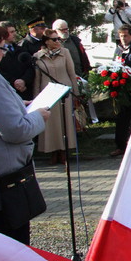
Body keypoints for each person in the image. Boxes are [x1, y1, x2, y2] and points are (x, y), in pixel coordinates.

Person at [0, 16, 50, 244]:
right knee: (11, 257)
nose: (4, 53)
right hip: (0, 188)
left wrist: (18, 105)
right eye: (1, 48)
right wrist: (39, 116)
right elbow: (15, 130)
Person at [32, 29, 79, 165]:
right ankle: (53, 152)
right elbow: (37, 79)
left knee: (64, 122)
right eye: (54, 39)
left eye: (58, 39)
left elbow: (71, 73)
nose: (58, 41)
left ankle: (64, 152)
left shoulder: (65, 53)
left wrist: (75, 93)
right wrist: (36, 99)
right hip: (47, 92)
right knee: (51, 123)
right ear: (46, 41)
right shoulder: (38, 56)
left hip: (64, 91)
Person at [110, 24, 131, 157]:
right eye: (121, 36)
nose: (123, 38)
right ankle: (120, 145)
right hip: (120, 91)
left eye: (125, 36)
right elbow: (113, 66)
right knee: (121, 119)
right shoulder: (118, 50)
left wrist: (128, 81)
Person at [0, 21, 35, 101]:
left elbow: (30, 68)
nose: (15, 34)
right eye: (11, 32)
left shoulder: (21, 50)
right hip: (8, 93)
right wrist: (14, 82)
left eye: (15, 31)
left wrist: (24, 80)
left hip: (26, 92)